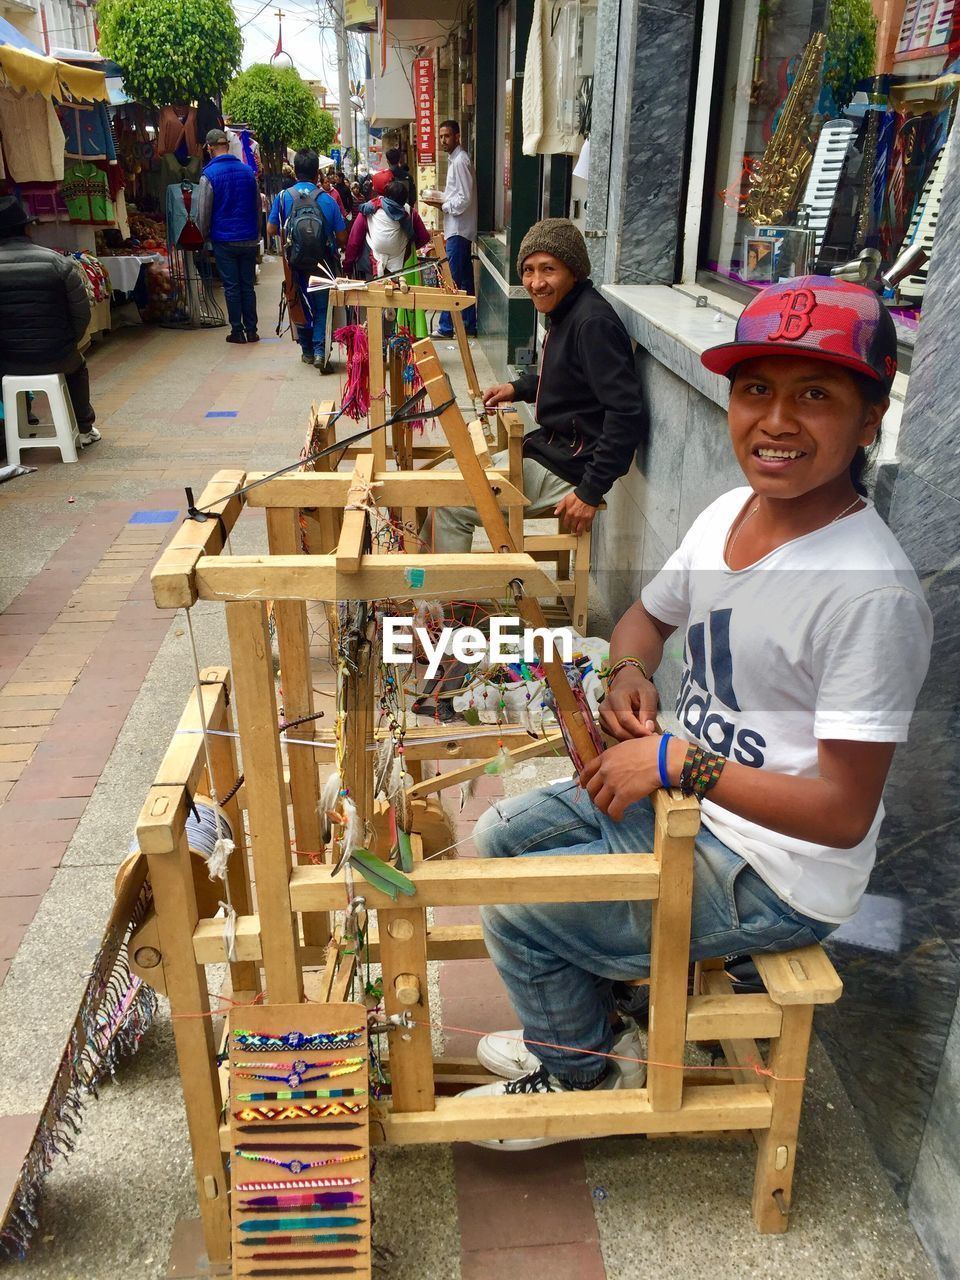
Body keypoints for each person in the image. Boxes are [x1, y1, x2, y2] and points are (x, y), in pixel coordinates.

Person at [457, 276, 933, 1147]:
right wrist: (632, 668)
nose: (777, 422)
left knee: (517, 907)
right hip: (689, 801)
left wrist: (677, 763)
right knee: (499, 844)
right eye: (756, 391)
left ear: (870, 420)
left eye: (815, 396)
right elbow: (645, 619)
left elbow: (840, 811)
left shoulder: (869, 593)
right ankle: (597, 1020)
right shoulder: (726, 514)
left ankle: (580, 1080)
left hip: (778, 869)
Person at [427, 218, 647, 552]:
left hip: (572, 465)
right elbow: (575, 380)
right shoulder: (568, 311)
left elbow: (626, 413)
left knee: (449, 500)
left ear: (574, 271)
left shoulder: (592, 324)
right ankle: (430, 585)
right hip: (552, 449)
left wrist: (590, 490)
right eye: (528, 270)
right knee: (437, 481)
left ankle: (442, 601)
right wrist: (520, 388)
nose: (536, 282)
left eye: (548, 269)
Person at [0, 195, 100, 446]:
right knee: (78, 368)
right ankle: (85, 427)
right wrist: (68, 342)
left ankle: (21, 421)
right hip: (58, 353)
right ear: (27, 228)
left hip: (7, 359)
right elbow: (81, 313)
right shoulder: (58, 263)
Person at [266, 148, 346, 372]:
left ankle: (307, 351)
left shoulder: (283, 197)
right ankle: (321, 352)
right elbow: (342, 237)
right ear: (316, 175)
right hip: (323, 263)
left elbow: (271, 229)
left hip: (294, 264)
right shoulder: (328, 201)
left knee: (298, 302)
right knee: (321, 308)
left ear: (295, 172)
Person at [196, 128, 261, 343]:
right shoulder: (247, 172)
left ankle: (237, 331)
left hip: (224, 239)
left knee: (232, 286)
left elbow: (204, 211)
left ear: (209, 148)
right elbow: (257, 206)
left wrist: (203, 235)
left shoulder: (209, 176)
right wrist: (256, 233)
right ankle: (252, 330)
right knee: (247, 284)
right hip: (249, 237)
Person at [422, 120, 477, 337]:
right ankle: (469, 324)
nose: (443, 140)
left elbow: (464, 199)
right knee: (464, 282)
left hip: (459, 230)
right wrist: (439, 198)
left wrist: (442, 204)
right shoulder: (455, 161)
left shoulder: (461, 161)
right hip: (457, 229)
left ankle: (446, 327)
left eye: (447, 136)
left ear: (457, 136)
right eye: (441, 136)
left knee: (451, 278)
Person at [344, 180, 430, 279]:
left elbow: (354, 241)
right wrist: (409, 246)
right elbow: (424, 237)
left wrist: (347, 267)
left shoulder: (370, 209)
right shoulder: (410, 212)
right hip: (401, 267)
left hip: (371, 267)